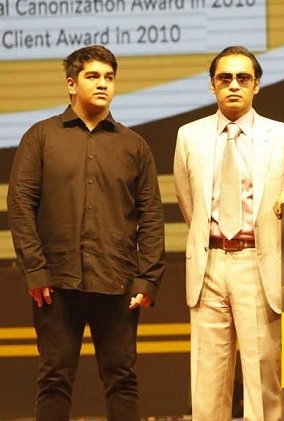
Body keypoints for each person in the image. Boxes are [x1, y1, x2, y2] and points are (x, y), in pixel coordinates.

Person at [6, 45, 165, 420]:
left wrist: (147, 278)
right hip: (56, 284)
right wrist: (35, 270)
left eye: (109, 77)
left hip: (118, 284)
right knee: (54, 379)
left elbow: (151, 215)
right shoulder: (40, 137)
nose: (103, 84)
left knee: (122, 380)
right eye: (93, 76)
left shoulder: (134, 145)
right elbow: (20, 205)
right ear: (71, 83)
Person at [173, 45, 284, 421]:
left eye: (243, 78)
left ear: (256, 85)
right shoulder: (189, 136)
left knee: (264, 381)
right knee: (207, 384)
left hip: (259, 261)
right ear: (212, 85)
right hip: (209, 262)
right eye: (225, 78)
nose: (233, 85)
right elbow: (188, 202)